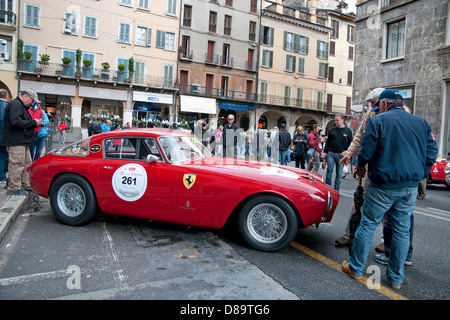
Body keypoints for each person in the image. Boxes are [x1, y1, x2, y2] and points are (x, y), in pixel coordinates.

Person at [341, 89, 438, 289]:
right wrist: (421, 173)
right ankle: (395, 279)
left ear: (384, 103)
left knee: (368, 224)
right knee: (402, 230)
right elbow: (432, 151)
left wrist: (359, 167)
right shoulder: (421, 123)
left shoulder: (378, 121)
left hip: (383, 184)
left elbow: (366, 150)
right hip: (409, 186)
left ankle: (356, 268)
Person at [335, 88, 385, 248]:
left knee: (386, 205)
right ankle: (349, 235)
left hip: (385, 167)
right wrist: (350, 154)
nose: (371, 106)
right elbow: (360, 136)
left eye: (373, 103)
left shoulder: (395, 115)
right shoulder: (371, 114)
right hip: (370, 165)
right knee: (359, 200)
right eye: (370, 104)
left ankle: (386, 241)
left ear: (383, 102)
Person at [2, 89, 43, 195]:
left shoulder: (20, 106)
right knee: (17, 163)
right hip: (16, 140)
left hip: (22, 140)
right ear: (26, 96)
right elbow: (15, 122)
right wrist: (34, 122)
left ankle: (26, 185)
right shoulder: (16, 105)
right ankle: (13, 188)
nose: (33, 104)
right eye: (33, 101)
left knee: (26, 164)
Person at [322, 115, 353, 191]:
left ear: (342, 120)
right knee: (329, 171)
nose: (335, 122)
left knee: (339, 174)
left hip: (341, 155)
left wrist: (346, 152)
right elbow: (328, 142)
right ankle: (328, 189)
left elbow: (351, 144)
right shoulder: (332, 129)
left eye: (337, 120)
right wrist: (325, 153)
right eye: (335, 120)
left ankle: (336, 190)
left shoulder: (348, 131)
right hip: (331, 153)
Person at [0, 89, 9, 183]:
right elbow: (3, 121)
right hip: (2, 135)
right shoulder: (4, 106)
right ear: (6, 96)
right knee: (3, 155)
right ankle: (2, 176)